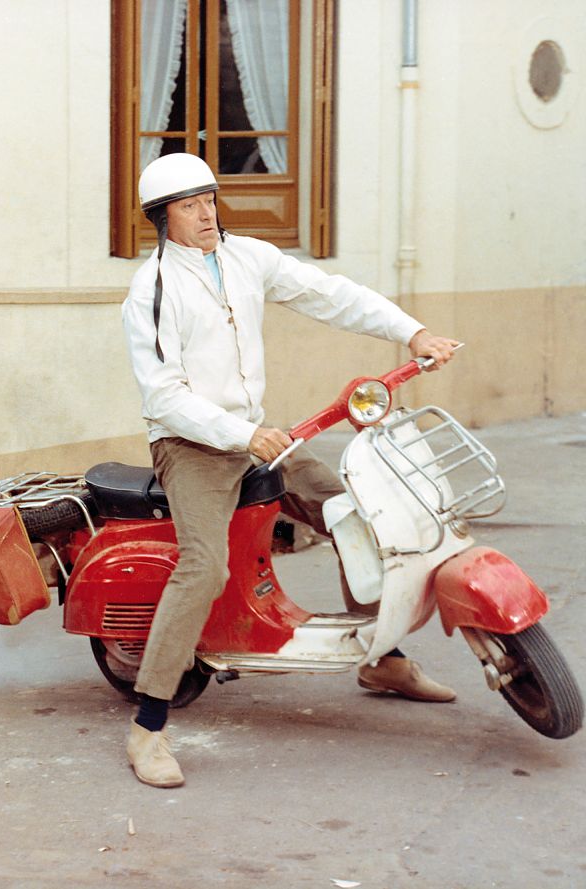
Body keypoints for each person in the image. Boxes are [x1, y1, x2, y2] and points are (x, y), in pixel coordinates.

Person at [120, 153, 460, 789]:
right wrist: (244, 434)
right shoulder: (153, 289)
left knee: (354, 514)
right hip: (192, 445)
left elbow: (331, 295)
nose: (206, 214)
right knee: (205, 566)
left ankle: (381, 659)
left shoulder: (247, 257)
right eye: (190, 206)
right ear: (161, 218)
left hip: (258, 436)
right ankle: (147, 728)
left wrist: (411, 333)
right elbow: (164, 396)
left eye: (210, 200)